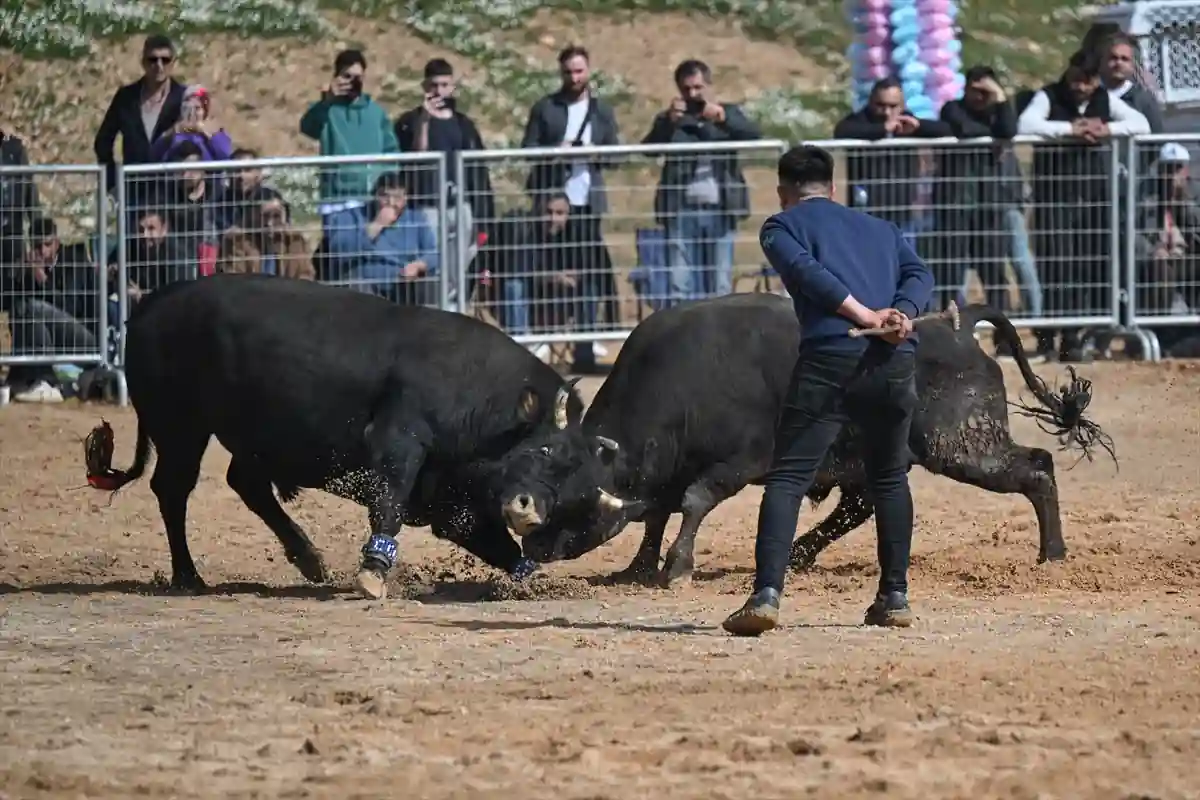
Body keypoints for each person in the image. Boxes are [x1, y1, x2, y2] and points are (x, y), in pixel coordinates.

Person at [721, 145, 934, 637]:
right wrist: (901, 310)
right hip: (893, 361)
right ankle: (894, 596)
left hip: (831, 358)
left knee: (790, 477)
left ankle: (768, 594)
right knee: (889, 477)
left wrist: (866, 316)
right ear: (833, 188)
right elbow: (919, 273)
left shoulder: (780, 226)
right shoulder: (881, 229)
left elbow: (807, 275)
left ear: (783, 191)